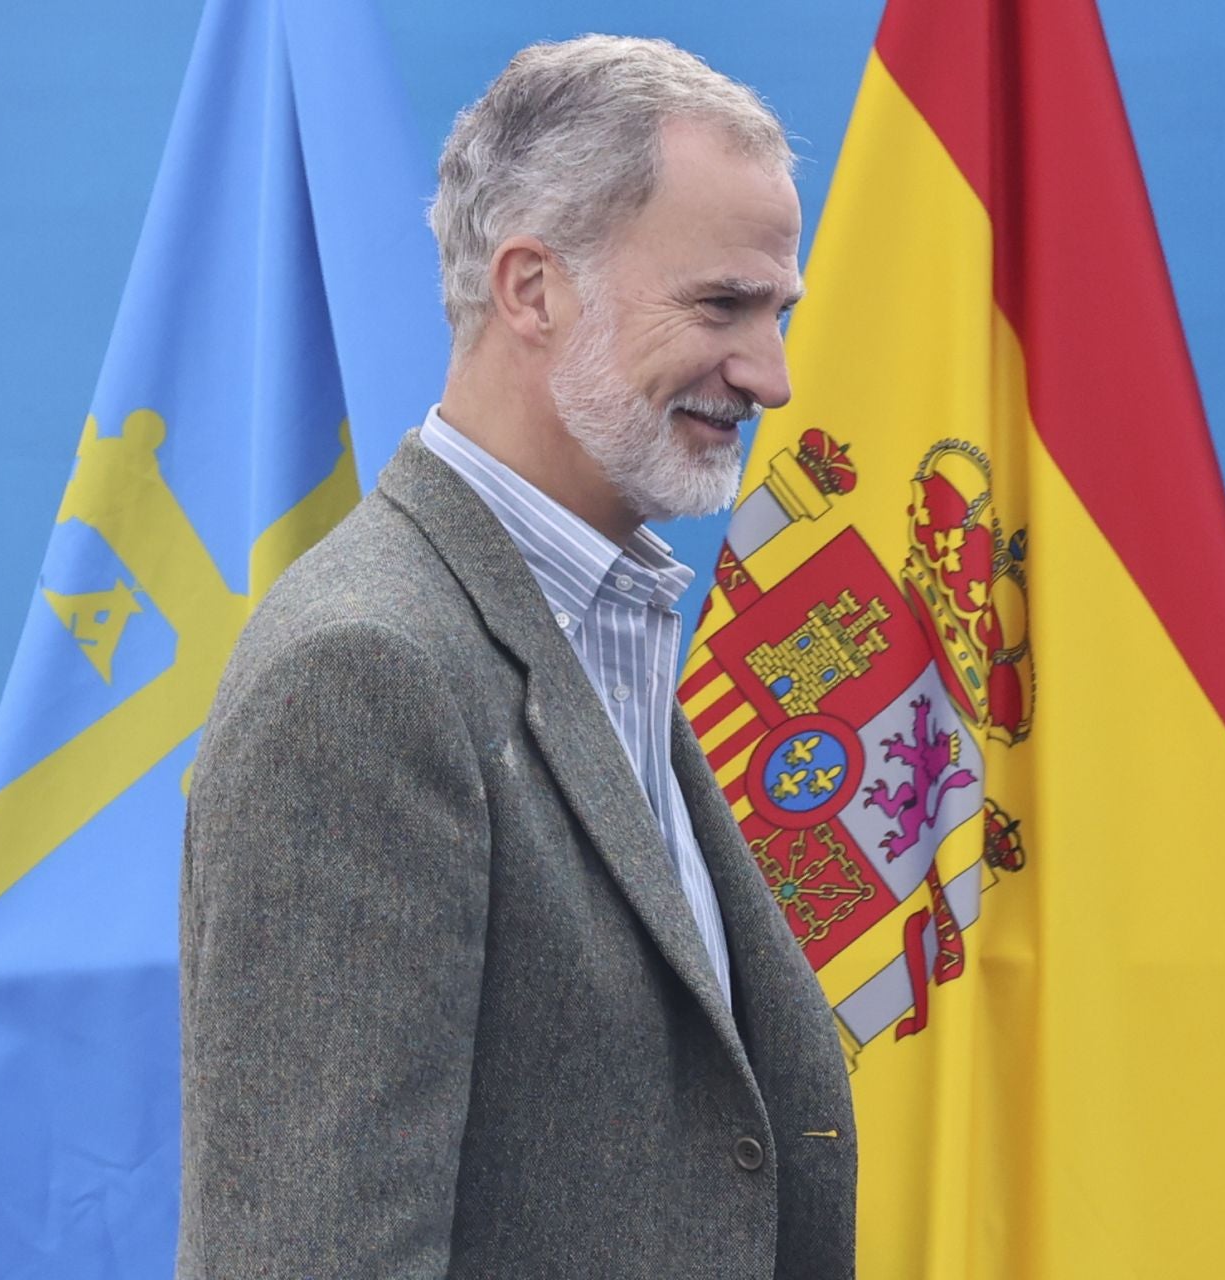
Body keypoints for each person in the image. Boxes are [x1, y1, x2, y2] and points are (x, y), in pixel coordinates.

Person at [177, 35, 856, 1278]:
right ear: (532, 288)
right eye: (721, 304)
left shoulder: (606, 619)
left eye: (779, 311)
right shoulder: (367, 674)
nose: (770, 373)